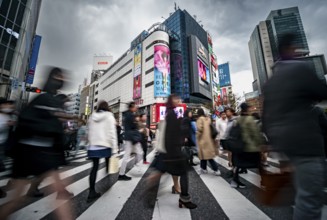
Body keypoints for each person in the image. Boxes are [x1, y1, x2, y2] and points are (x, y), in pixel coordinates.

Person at [262, 33, 327, 220]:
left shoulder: (271, 82)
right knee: (310, 198)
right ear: (290, 49)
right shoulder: (299, 68)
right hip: (306, 142)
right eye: (296, 48)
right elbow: (321, 91)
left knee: (303, 193)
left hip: (285, 145)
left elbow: (267, 117)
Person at [0, 67, 73, 219]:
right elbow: (49, 123)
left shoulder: (47, 100)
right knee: (17, 199)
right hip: (31, 153)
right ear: (52, 78)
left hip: (41, 153)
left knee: (59, 191)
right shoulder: (45, 99)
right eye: (59, 76)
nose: (63, 80)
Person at [146, 94, 197, 209]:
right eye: (176, 99)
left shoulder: (170, 114)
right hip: (171, 152)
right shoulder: (172, 115)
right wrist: (174, 153)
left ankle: (150, 192)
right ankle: (184, 198)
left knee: (158, 173)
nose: (179, 100)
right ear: (171, 100)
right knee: (182, 173)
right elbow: (170, 136)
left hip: (166, 151)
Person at [87, 101, 117, 202]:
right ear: (107, 107)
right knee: (108, 160)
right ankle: (108, 173)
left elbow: (89, 131)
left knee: (94, 168)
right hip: (105, 145)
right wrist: (115, 148)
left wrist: (89, 144)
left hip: (93, 146)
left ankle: (91, 192)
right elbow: (112, 132)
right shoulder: (109, 116)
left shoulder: (92, 116)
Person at [230, 103, 262, 188]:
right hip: (250, 146)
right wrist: (260, 143)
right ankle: (264, 181)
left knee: (238, 164)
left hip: (240, 146)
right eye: (249, 108)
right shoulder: (250, 119)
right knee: (258, 163)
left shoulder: (238, 119)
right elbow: (255, 133)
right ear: (247, 109)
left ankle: (235, 180)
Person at [118, 102, 143, 181]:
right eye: (135, 106)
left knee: (136, 153)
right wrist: (136, 121)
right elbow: (133, 127)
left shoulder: (128, 115)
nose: (136, 107)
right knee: (137, 153)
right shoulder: (130, 115)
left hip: (130, 138)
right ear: (131, 107)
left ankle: (122, 173)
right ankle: (122, 174)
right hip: (131, 138)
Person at [196, 108, 221, 175]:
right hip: (209, 139)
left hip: (203, 140)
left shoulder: (200, 119)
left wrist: (197, 135)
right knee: (204, 156)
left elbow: (200, 129)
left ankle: (216, 169)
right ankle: (203, 169)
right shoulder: (207, 119)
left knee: (208, 157)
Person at [0, 98, 15, 198]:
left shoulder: (9, 115)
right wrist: (6, 124)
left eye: (10, 105)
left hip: (3, 144)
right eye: (6, 104)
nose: (9, 106)